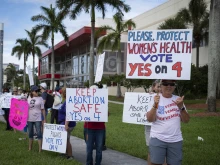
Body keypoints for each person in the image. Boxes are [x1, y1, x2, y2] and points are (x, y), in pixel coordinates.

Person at [147, 79, 190, 165]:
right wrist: (155, 105)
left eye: (171, 84)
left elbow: (186, 120)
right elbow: (150, 119)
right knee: (155, 163)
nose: (169, 86)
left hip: (175, 139)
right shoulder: (155, 98)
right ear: (161, 86)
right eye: (166, 84)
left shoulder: (178, 99)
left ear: (174, 86)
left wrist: (181, 107)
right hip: (158, 137)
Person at [84, 83, 106, 165]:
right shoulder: (85, 101)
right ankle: (89, 163)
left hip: (100, 128)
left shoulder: (102, 101)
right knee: (89, 149)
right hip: (88, 128)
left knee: (99, 149)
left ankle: (98, 163)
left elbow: (107, 114)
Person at [145, 80, 161, 165]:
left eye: (161, 86)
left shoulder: (165, 97)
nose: (160, 88)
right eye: (158, 86)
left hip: (160, 128)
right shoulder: (149, 96)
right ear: (153, 87)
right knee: (151, 150)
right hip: (149, 126)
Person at [58, 87, 76, 160]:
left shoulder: (68, 102)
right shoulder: (68, 101)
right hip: (66, 123)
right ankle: (65, 153)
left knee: (67, 140)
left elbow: (68, 114)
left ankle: (70, 155)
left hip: (68, 124)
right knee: (65, 139)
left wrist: (66, 124)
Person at [27, 85, 46, 152]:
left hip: (38, 118)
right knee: (30, 133)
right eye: (36, 91)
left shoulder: (40, 98)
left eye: (38, 91)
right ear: (32, 92)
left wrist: (44, 119)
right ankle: (30, 148)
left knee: (39, 133)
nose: (37, 92)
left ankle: (40, 149)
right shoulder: (28, 98)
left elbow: (43, 109)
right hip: (29, 118)